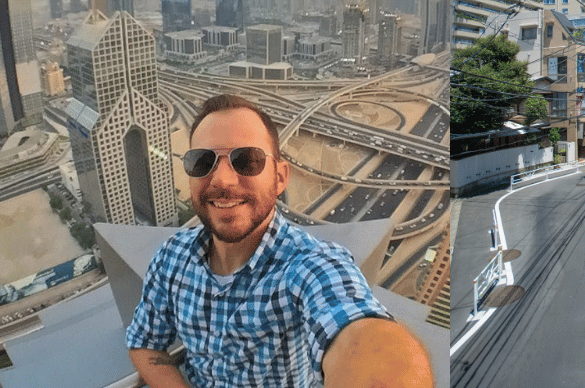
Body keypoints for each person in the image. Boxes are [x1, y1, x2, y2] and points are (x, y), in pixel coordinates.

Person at [126, 94, 433, 388]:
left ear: (281, 177)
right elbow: (144, 344)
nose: (221, 180)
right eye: (202, 162)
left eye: (246, 160)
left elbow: (357, 333)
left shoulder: (309, 265)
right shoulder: (172, 258)